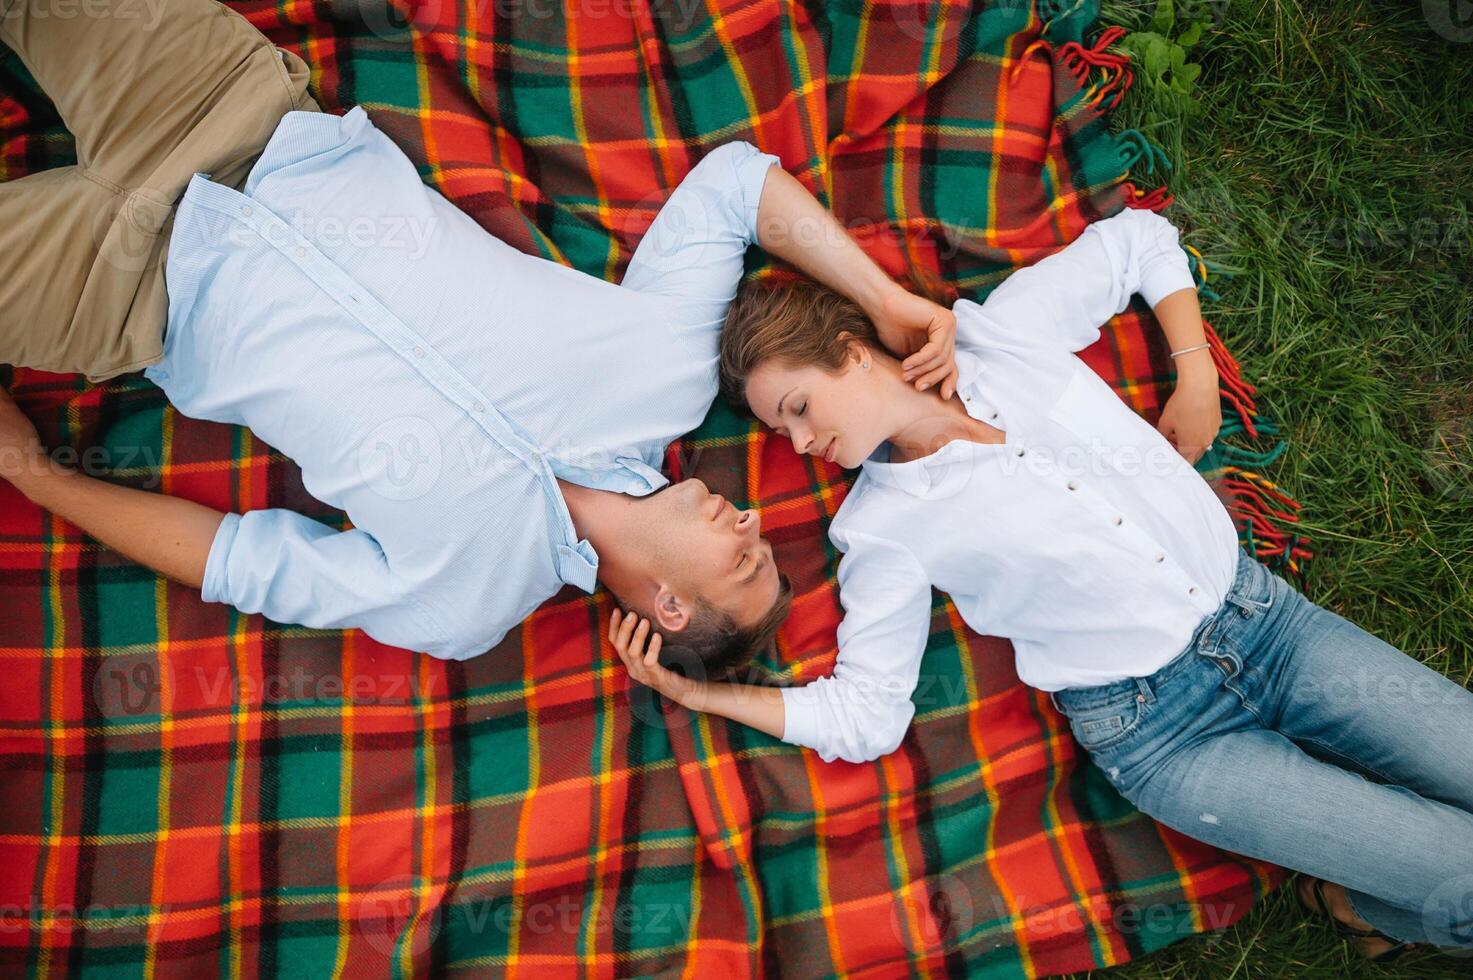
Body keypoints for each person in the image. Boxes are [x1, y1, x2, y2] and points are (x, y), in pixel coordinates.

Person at [608, 206, 1473, 960]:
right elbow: (866, 716)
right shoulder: (876, 529)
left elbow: (1140, 241)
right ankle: (1363, 900)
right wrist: (695, 693)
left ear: (849, 351)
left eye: (796, 409)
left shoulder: (998, 334)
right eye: (778, 431)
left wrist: (1196, 369)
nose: (798, 446)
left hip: (1274, 629)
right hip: (1166, 737)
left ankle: (1379, 905)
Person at [0, 0, 960, 671]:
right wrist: (882, 300)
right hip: (234, 122)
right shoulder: (670, 373)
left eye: (744, 560)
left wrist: (40, 477)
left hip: (127, 298)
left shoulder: (461, 606)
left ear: (667, 609)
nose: (750, 520)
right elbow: (737, 186)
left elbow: (236, 562)